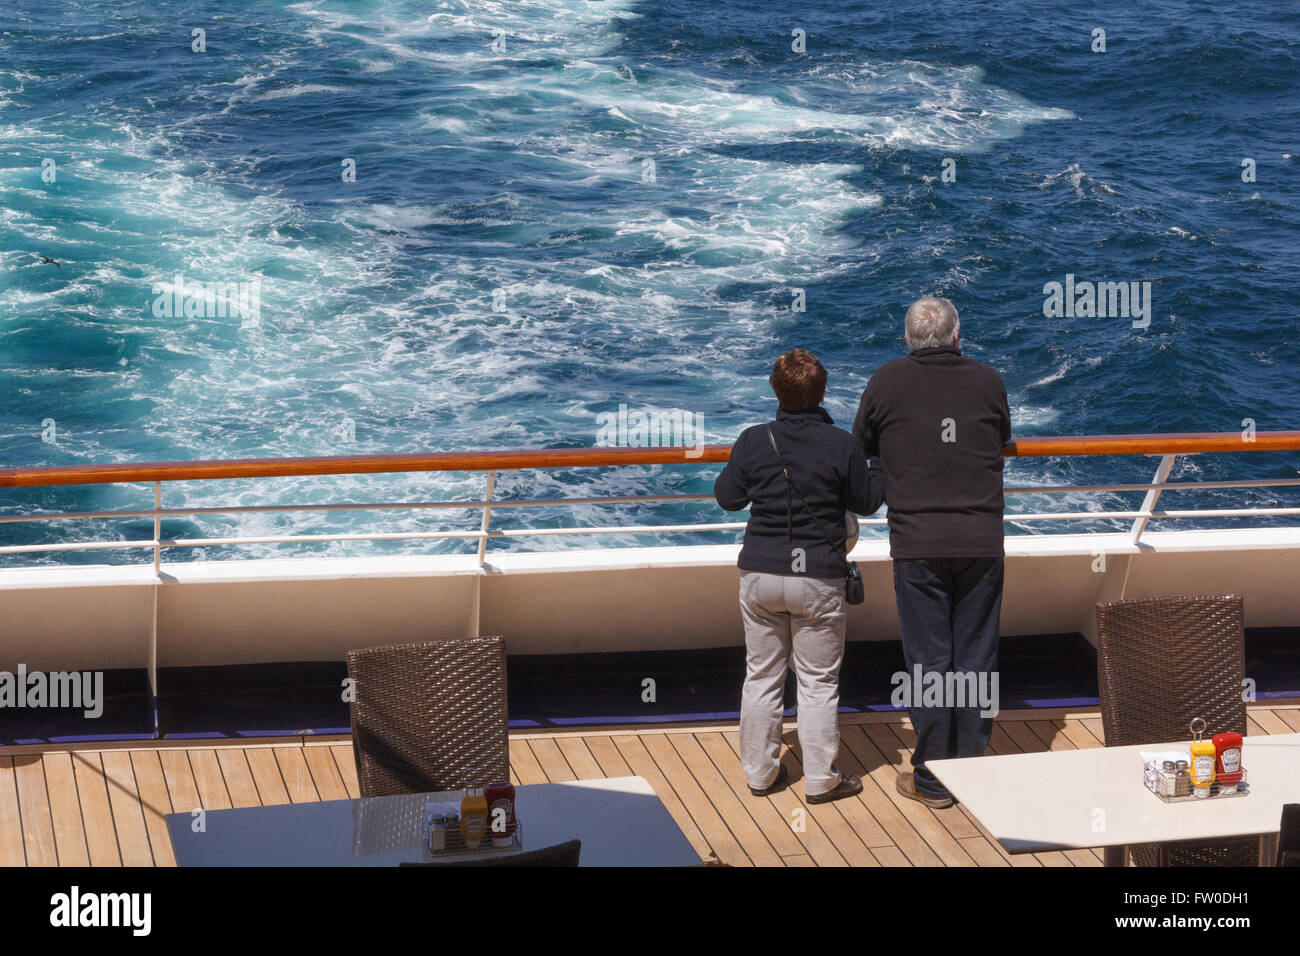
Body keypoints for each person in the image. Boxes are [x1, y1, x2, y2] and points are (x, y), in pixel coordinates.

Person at [852, 296, 1010, 809]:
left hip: (918, 544)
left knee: (930, 661)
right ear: (957, 337)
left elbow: (862, 449)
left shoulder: (884, 382)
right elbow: (1000, 436)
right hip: (980, 541)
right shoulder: (988, 380)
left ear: (909, 340)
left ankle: (935, 779)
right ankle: (969, 768)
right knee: (975, 657)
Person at [715, 348, 883, 804]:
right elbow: (867, 502)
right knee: (817, 682)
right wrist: (880, 463)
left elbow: (727, 497)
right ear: (822, 392)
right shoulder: (842, 445)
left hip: (761, 575)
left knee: (762, 676)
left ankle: (760, 774)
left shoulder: (753, 439)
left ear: (776, 390)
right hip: (818, 580)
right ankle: (820, 780)